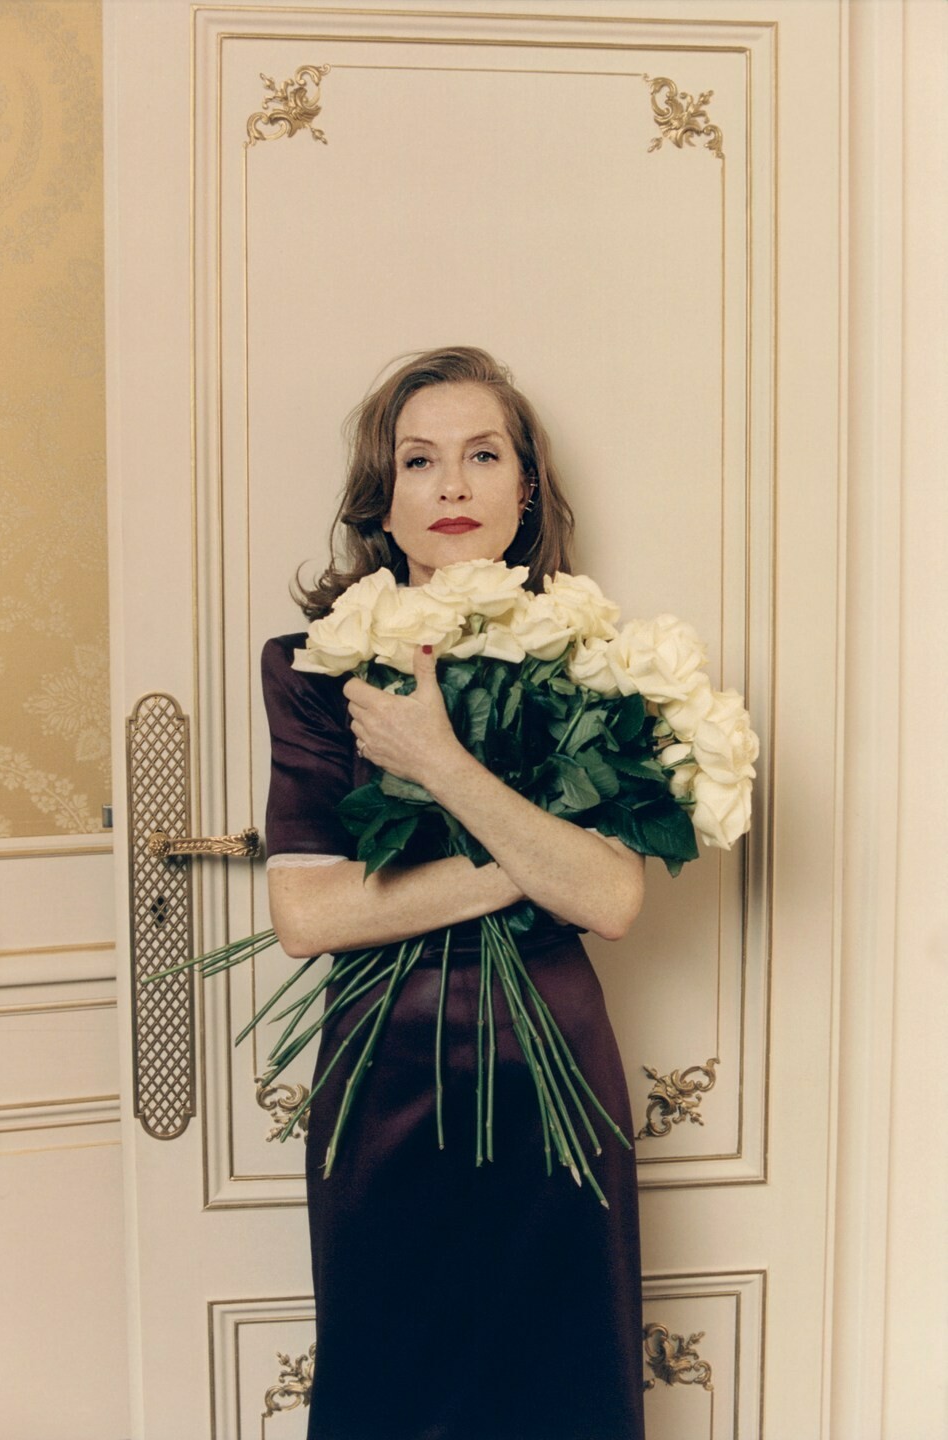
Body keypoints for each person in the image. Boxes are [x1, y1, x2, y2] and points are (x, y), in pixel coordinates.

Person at [262, 346, 648, 1440]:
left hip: (554, 1075)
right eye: (419, 460)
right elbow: (308, 916)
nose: (452, 485)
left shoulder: (591, 658)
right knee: (394, 1387)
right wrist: (532, 863)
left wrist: (438, 763)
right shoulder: (311, 667)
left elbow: (615, 901)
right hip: (384, 1076)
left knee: (563, 1385)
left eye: (483, 455)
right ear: (382, 500)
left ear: (525, 491)